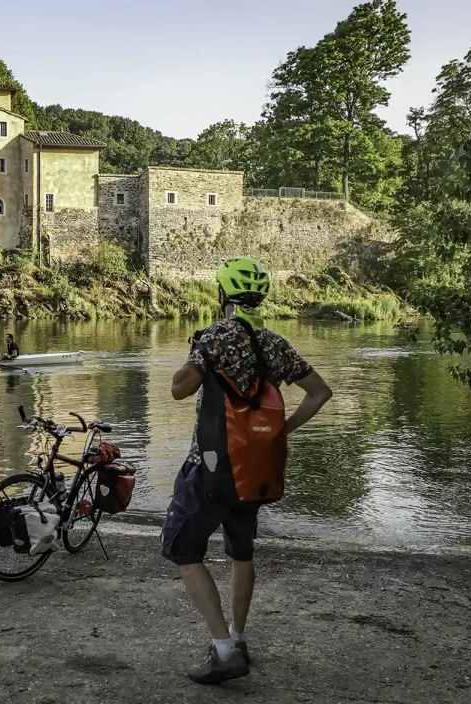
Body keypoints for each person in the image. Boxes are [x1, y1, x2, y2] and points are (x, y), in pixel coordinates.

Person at [162, 257, 332, 685]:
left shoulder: (214, 338)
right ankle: (237, 637)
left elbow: (180, 390)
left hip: (212, 468)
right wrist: (280, 432)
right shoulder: (274, 343)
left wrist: (194, 355)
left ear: (222, 295)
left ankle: (222, 652)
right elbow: (319, 393)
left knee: (184, 552)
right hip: (254, 468)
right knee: (241, 552)